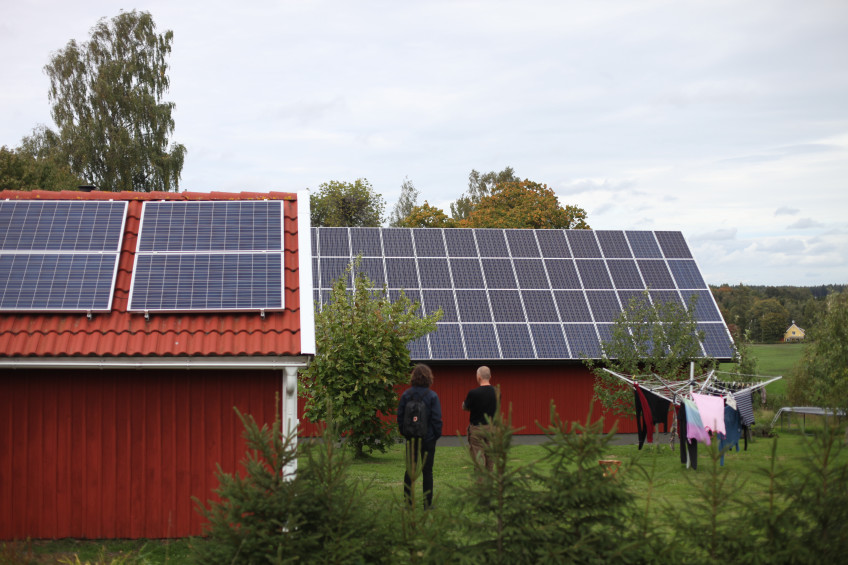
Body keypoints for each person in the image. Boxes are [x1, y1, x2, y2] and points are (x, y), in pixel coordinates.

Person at [397, 363, 442, 507]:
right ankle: (427, 504)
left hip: (411, 438)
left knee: (410, 470)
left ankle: (408, 503)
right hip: (428, 438)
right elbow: (436, 419)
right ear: (429, 377)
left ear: (413, 377)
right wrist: (436, 435)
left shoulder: (406, 395)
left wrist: (405, 433)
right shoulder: (432, 396)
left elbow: (400, 417)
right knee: (427, 471)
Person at [462, 365, 498, 472]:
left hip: (477, 428)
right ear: (490, 377)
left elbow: (466, 407)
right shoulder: (496, 392)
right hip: (491, 428)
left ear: (478, 377)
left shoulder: (473, 393)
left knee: (479, 458)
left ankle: (480, 484)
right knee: (490, 457)